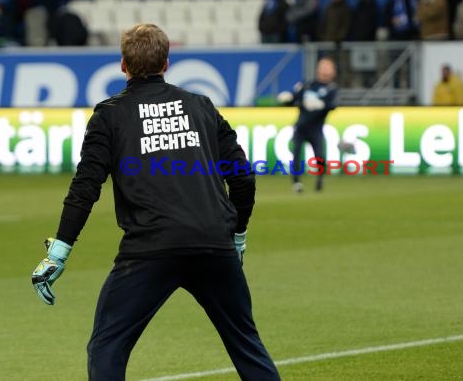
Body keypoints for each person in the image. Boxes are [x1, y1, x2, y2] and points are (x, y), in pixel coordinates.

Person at [31, 23, 281, 381]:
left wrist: (58, 252)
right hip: (214, 244)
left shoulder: (110, 115)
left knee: (107, 347)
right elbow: (242, 176)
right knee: (246, 346)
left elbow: (86, 186)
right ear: (166, 63)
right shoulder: (201, 106)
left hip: (150, 249)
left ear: (123, 65)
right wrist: (237, 235)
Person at [277, 57, 339, 193]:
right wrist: (286, 98)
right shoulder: (307, 85)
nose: (324, 70)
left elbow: (332, 105)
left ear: (333, 71)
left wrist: (321, 104)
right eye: (323, 67)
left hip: (316, 128)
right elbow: (294, 98)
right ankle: (296, 183)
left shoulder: (332, 89)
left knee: (319, 156)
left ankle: (320, 179)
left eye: (328, 67)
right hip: (301, 127)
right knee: (296, 154)